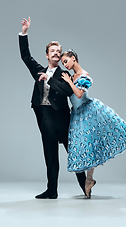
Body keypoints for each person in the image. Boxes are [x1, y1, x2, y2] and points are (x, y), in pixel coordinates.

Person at [59, 49, 126, 198]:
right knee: (89, 146)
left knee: (117, 126)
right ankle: (89, 179)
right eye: (63, 63)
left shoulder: (84, 76)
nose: (65, 65)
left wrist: (69, 82)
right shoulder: (72, 76)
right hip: (77, 115)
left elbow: (79, 94)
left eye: (66, 61)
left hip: (90, 110)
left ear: (73, 58)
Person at [19, 18, 86, 199]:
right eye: (53, 51)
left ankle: (85, 188)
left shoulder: (65, 74)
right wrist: (24, 33)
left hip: (62, 118)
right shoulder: (39, 70)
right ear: (47, 56)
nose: (56, 54)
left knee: (74, 154)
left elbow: (65, 91)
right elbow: (26, 56)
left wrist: (49, 79)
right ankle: (52, 190)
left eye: (58, 51)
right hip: (45, 118)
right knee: (50, 156)